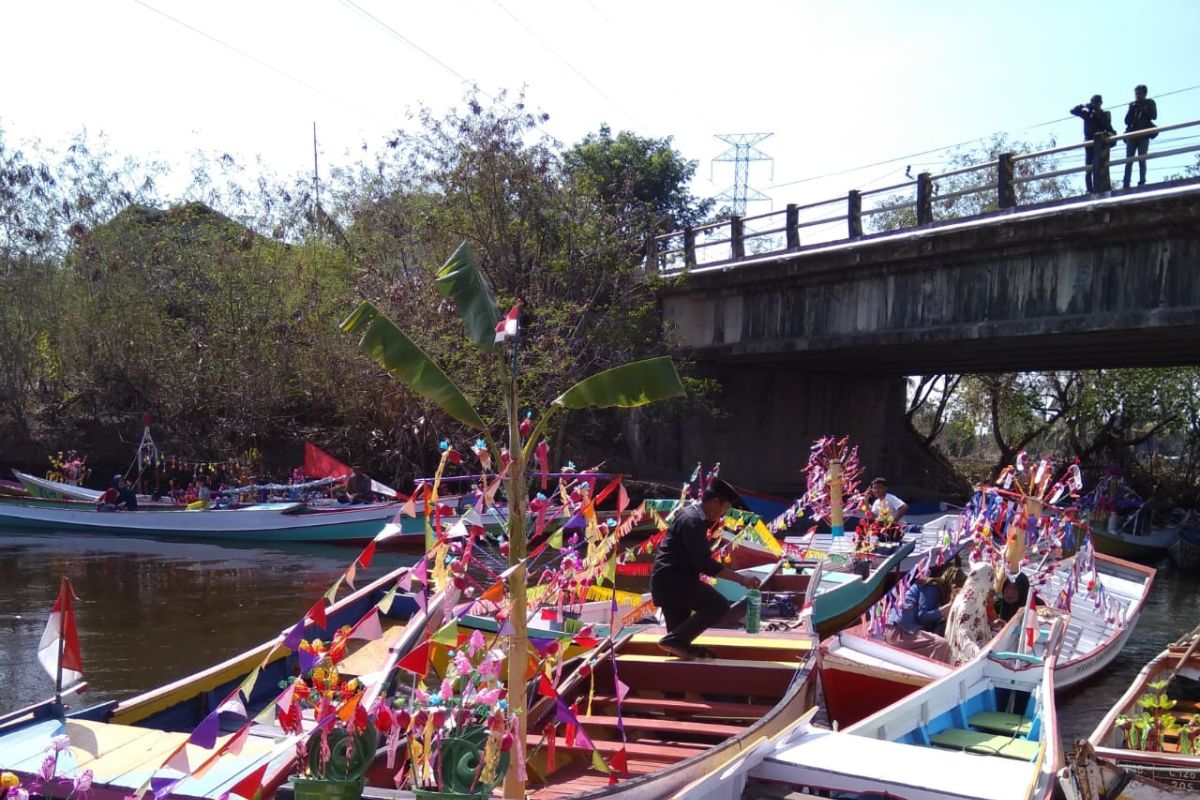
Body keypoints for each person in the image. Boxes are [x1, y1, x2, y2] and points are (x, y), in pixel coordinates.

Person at [650, 478, 761, 659]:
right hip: (673, 581)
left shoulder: (693, 516)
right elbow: (705, 564)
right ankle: (677, 643)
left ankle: (675, 683)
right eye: (725, 508)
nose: (723, 514)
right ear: (715, 502)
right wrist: (742, 579)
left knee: (677, 645)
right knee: (718, 605)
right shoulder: (693, 521)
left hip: (668, 582)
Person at [885, 562, 955, 662]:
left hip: (898, 631)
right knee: (941, 644)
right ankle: (934, 674)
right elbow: (922, 616)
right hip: (899, 632)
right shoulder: (932, 586)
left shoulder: (934, 589)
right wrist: (947, 607)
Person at [944, 562, 996, 666]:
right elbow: (963, 635)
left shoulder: (972, 598)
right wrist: (979, 653)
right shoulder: (967, 604)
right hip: (968, 661)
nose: (990, 588)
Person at [1071, 94, 1116, 192]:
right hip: (1089, 142)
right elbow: (1073, 111)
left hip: (1099, 144)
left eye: (1099, 103)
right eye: (1095, 103)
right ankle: (1090, 189)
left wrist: (1099, 117)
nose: (1097, 105)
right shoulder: (1087, 113)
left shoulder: (1104, 115)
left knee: (1100, 165)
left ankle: (1099, 187)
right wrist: (1084, 106)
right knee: (1089, 167)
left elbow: (1110, 129)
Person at [1123, 85, 1158, 188]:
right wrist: (1132, 109)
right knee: (1129, 160)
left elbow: (1154, 116)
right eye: (1136, 94)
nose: (1137, 96)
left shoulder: (1150, 103)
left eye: (1139, 94)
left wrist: (1144, 109)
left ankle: (1142, 181)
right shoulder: (1132, 105)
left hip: (1144, 135)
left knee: (1142, 159)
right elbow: (1126, 121)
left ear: (1144, 94)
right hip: (1132, 136)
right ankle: (1126, 183)